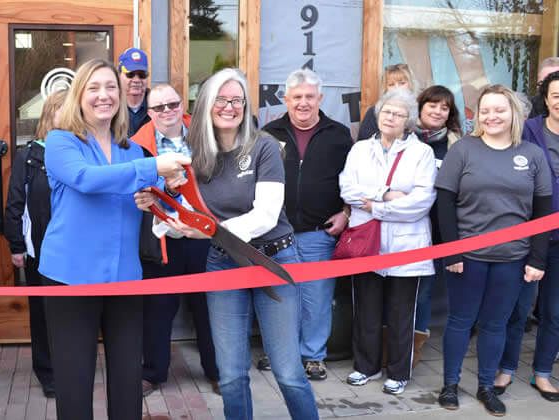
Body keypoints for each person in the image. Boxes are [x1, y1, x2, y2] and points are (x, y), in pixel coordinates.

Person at [156, 68, 319, 420]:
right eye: (221, 99)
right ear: (206, 105)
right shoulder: (193, 153)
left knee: (288, 373)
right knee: (230, 375)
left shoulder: (264, 147)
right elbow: (185, 214)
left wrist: (212, 230)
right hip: (223, 262)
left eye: (237, 100)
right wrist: (164, 217)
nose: (229, 107)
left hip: (274, 260)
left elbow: (265, 215)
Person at [38, 58, 189, 420]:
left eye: (110, 88)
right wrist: (153, 167)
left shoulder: (131, 150)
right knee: (74, 382)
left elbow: (154, 200)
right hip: (70, 277)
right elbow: (87, 179)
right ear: (79, 96)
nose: (103, 95)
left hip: (124, 276)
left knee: (127, 379)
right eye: (94, 88)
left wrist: (151, 199)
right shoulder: (61, 142)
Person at [436, 84, 552, 416]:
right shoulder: (463, 150)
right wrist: (453, 252)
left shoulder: (532, 154)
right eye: (484, 110)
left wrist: (537, 258)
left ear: (513, 113)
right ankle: (449, 385)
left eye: (499, 109)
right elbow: (445, 201)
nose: (491, 116)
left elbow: (543, 212)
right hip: (468, 258)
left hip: (512, 258)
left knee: (495, 324)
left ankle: (487, 386)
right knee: (460, 320)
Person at [339, 88, 436, 395]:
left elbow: (421, 201)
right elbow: (347, 190)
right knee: (366, 308)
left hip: (407, 246)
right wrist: (386, 196)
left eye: (398, 113)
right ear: (377, 115)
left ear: (408, 120)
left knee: (400, 312)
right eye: (386, 112)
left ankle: (398, 372)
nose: (391, 118)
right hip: (368, 243)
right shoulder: (359, 150)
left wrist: (374, 206)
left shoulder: (421, 153)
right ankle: (364, 366)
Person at [262, 69, 353, 380]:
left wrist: (346, 213)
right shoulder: (267, 134)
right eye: (297, 97)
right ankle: (279, 354)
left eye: (309, 97)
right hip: (276, 232)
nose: (303, 103)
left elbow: (353, 182)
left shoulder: (339, 135)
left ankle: (313, 356)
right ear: (286, 99)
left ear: (320, 99)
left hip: (318, 233)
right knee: (279, 297)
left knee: (316, 298)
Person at [131, 83, 219, 396]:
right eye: (159, 107)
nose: (167, 111)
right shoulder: (137, 144)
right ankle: (153, 373)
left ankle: (217, 371)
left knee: (209, 306)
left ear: (182, 104)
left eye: (173, 104)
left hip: (204, 233)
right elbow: (134, 189)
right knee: (157, 307)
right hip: (162, 238)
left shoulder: (205, 135)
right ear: (149, 112)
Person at [494, 71, 559, 402]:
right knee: (518, 308)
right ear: (546, 99)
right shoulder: (529, 131)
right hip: (530, 233)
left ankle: (543, 373)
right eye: (556, 94)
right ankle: (505, 368)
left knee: (555, 311)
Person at [3, 89, 67, 398]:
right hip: (38, 248)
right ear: (49, 114)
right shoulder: (29, 155)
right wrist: (16, 245)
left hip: (75, 248)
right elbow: (15, 203)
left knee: (74, 309)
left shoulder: (83, 152)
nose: (67, 117)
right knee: (43, 312)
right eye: (61, 110)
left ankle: (72, 364)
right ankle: (48, 372)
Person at [411, 85, 462, 365]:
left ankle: (414, 348)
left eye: (444, 108)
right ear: (420, 107)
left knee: (424, 292)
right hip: (403, 229)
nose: (438, 111)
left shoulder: (456, 144)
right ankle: (391, 343)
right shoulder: (405, 137)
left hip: (438, 231)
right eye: (432, 105)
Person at [358, 63, 416, 141]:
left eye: (402, 83)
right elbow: (363, 142)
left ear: (410, 84)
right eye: (391, 84)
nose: (397, 88)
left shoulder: (420, 109)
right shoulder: (374, 112)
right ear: (385, 88)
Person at [117, 47, 151, 136]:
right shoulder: (111, 105)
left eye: (142, 75)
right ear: (119, 75)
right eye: (130, 74)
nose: (136, 80)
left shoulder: (158, 105)